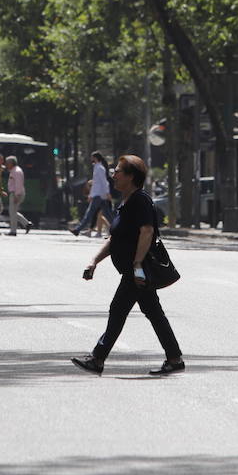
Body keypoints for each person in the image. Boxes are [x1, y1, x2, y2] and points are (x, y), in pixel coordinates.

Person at [72, 154, 184, 377]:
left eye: (118, 171)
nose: (113, 174)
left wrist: (137, 264)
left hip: (136, 272)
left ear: (131, 177)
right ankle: (174, 358)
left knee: (118, 310)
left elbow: (147, 231)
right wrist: (94, 261)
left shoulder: (140, 201)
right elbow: (114, 239)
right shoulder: (126, 203)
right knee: (153, 312)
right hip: (133, 271)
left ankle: (98, 358)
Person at [70, 152, 110, 237]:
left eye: (92, 157)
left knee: (89, 214)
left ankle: (77, 229)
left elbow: (103, 182)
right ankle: (121, 228)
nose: (91, 159)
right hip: (99, 195)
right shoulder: (97, 168)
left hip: (98, 195)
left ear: (95, 158)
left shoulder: (99, 168)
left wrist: (106, 193)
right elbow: (97, 183)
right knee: (108, 214)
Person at [3, 154, 32, 236]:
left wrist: (17, 195)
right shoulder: (14, 170)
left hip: (16, 193)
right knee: (13, 212)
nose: (6, 165)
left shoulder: (17, 171)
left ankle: (13, 231)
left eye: (7, 163)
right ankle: (26, 224)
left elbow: (18, 184)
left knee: (12, 212)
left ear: (12, 163)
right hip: (15, 193)